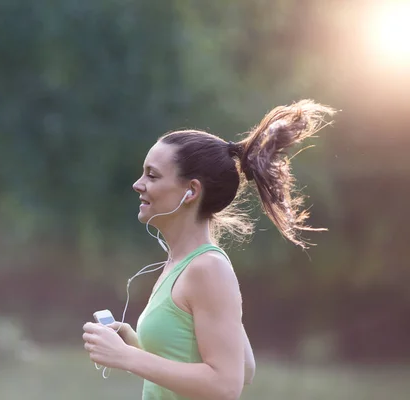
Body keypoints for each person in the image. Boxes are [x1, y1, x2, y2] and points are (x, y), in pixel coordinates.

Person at [82, 100, 336, 400]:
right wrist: (132, 346)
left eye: (152, 175)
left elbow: (227, 384)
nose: (138, 184)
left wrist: (128, 358)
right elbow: (245, 366)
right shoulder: (181, 264)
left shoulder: (207, 269)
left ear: (191, 190)